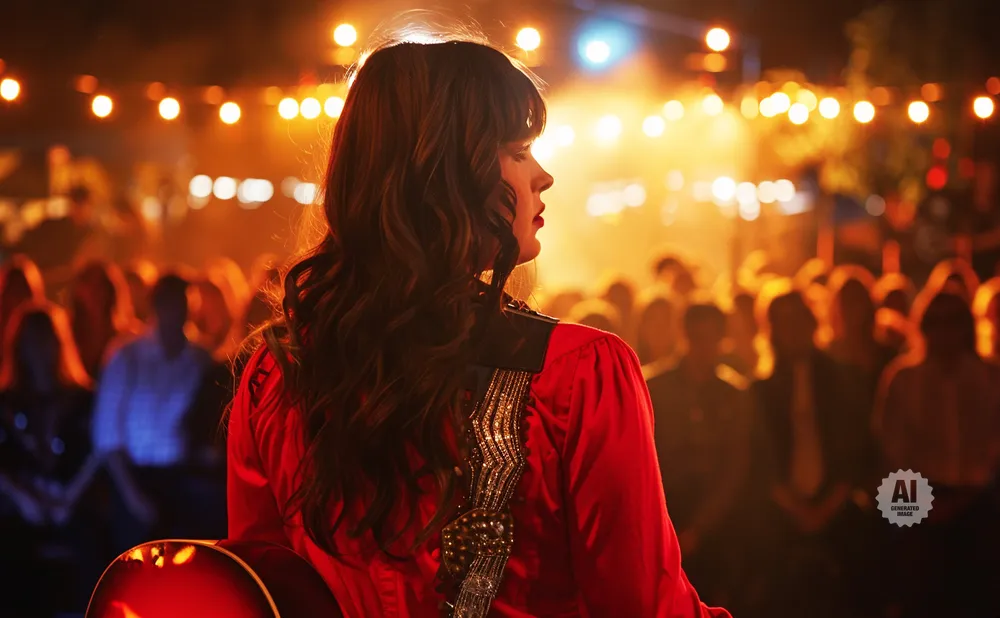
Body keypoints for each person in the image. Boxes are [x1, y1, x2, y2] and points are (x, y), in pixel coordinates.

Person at [227, 35, 730, 618]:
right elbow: (647, 606)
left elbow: (256, 594)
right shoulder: (577, 374)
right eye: (519, 150)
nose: (544, 176)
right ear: (445, 173)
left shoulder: (275, 373)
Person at [91, 273, 217, 552]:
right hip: (135, 477)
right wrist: (133, 496)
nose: (176, 312)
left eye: (181, 304)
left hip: (183, 480)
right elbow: (107, 437)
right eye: (168, 303)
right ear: (155, 306)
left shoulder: (200, 360)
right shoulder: (127, 356)